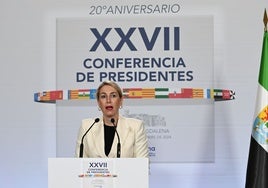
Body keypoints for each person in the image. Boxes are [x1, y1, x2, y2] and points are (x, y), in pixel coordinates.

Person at [75, 80, 149, 158]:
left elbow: (142, 165)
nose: (108, 101)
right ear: (98, 102)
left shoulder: (135, 127)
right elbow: (79, 164)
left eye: (113, 96)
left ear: (120, 101)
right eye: (103, 96)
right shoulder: (86, 127)